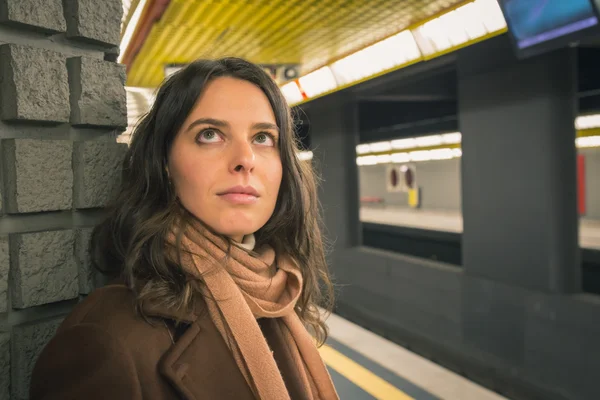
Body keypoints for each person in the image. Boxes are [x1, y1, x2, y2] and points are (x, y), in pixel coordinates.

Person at [29, 57, 339, 400]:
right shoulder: (107, 340)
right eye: (210, 134)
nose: (245, 158)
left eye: (263, 137)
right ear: (164, 163)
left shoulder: (277, 293)